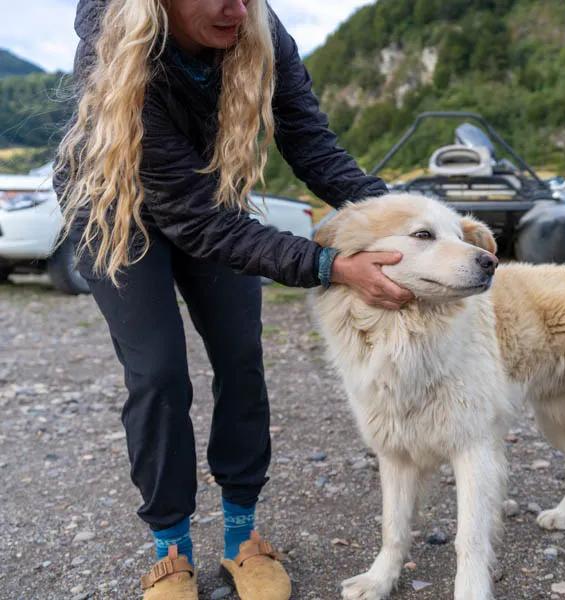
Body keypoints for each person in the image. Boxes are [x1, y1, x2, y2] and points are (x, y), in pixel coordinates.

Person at [53, 1, 413, 598]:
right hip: (115, 207)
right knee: (159, 373)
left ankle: (242, 537)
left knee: (242, 356)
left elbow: (312, 146)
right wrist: (329, 265)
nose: (236, 9)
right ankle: (171, 549)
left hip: (209, 199)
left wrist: (411, 223)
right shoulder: (118, 43)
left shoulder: (260, 30)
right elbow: (197, 223)